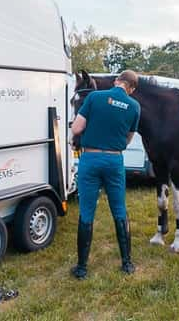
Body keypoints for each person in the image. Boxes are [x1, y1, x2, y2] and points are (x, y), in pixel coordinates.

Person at [70, 70, 141, 279]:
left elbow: (76, 128)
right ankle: (127, 263)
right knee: (119, 210)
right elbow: (128, 139)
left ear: (117, 81)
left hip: (90, 159)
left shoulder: (94, 97)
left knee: (86, 211)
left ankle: (82, 268)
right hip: (114, 160)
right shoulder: (134, 106)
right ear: (132, 89)